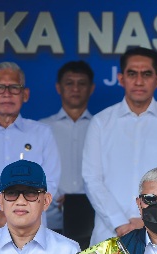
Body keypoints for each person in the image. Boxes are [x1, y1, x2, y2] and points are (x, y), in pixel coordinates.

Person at [82, 47, 157, 245]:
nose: (139, 81)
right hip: (109, 234)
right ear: (121, 78)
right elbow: (92, 180)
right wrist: (120, 223)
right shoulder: (100, 122)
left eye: (146, 74)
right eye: (132, 74)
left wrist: (147, 221)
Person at [0, 62, 60, 238]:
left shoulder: (43, 134)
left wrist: (22, 216)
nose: (7, 94)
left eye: (14, 87)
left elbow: (51, 183)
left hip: (31, 235)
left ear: (25, 94)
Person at [40, 60, 95, 231]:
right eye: (69, 83)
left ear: (91, 88)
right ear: (59, 88)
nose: (76, 89)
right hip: (49, 219)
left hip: (92, 219)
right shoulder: (42, 128)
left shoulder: (101, 127)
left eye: (82, 84)